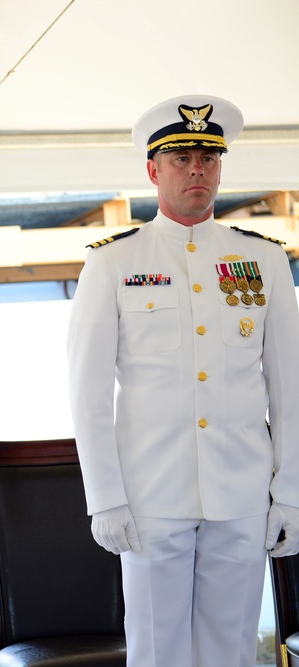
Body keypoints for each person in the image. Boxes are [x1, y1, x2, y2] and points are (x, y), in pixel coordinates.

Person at [67, 94, 299, 666]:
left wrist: (291, 492)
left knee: (232, 653)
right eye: (180, 157)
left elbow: (290, 386)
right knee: (156, 654)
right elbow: (88, 394)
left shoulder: (263, 260)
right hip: (149, 497)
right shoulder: (113, 262)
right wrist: (105, 498)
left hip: (241, 493)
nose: (197, 168)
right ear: (153, 170)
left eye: (209, 156)